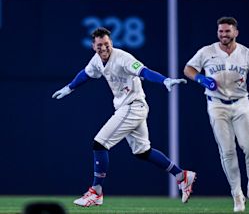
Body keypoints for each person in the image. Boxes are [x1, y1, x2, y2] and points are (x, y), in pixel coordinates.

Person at [52, 27, 196, 207]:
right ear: (93, 46)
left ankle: (96, 192)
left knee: (99, 143)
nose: (103, 48)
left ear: (111, 43)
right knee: (143, 152)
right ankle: (181, 175)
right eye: (99, 45)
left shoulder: (122, 58)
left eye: (106, 44)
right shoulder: (97, 59)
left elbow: (144, 71)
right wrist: (69, 88)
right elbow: (86, 73)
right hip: (129, 107)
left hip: (132, 107)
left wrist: (165, 80)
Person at [183, 17, 249, 212]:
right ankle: (237, 194)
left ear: (236, 32)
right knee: (227, 150)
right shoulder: (207, 51)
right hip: (217, 105)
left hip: (240, 104)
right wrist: (201, 79)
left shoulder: (246, 53)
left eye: (227, 31)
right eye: (221, 31)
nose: (224, 35)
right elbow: (188, 69)